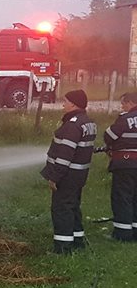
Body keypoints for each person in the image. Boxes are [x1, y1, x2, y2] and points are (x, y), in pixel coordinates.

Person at [40, 89, 96, 254]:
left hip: (67, 175)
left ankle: (63, 248)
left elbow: (65, 155)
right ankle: (77, 240)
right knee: (73, 206)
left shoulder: (72, 125)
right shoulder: (87, 122)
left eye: (65, 100)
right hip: (79, 175)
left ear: (73, 103)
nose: (63, 103)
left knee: (62, 208)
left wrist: (54, 177)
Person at [103, 91, 137, 241]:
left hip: (125, 164)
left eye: (123, 103)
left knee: (122, 197)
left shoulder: (125, 119)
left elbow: (109, 136)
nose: (122, 106)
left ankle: (122, 234)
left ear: (131, 103)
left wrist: (111, 147)